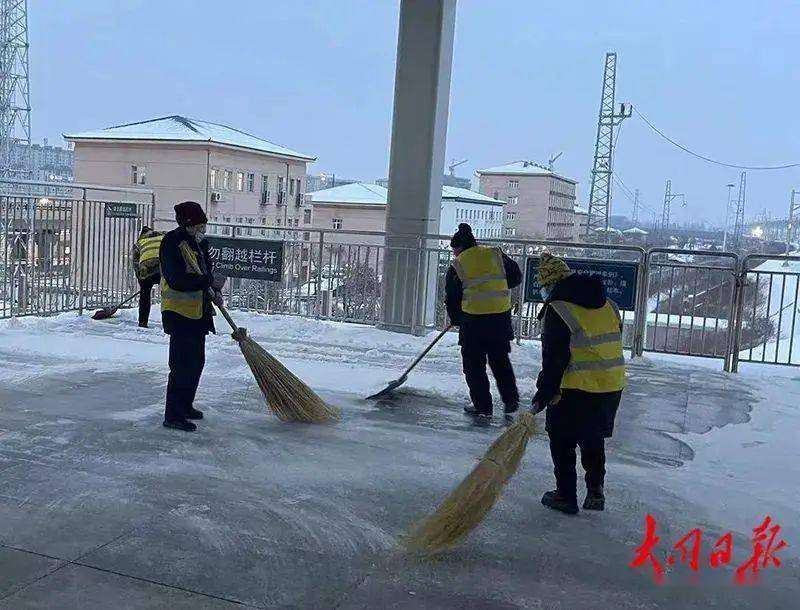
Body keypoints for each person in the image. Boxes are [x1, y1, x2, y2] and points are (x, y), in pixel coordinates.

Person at [531, 253, 625, 514]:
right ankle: (595, 491)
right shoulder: (609, 303)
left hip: (577, 385)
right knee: (593, 437)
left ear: (551, 285)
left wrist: (545, 392)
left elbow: (555, 358)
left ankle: (565, 495)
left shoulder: (559, 308)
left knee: (562, 439)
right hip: (611, 382)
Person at [159, 201, 225, 432]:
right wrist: (205, 282)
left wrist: (215, 291)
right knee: (181, 365)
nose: (202, 231)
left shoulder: (200, 245)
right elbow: (177, 279)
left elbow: (207, 272)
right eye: (198, 226)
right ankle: (173, 415)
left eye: (203, 226)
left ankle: (186, 406)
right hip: (178, 314)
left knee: (197, 362)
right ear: (187, 224)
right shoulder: (171, 244)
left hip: (199, 313)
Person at [445, 223, 522, 419]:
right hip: (500, 318)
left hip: (474, 322)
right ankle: (510, 399)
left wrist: (457, 319)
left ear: (459, 248)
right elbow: (515, 277)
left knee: (474, 365)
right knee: (500, 361)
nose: (454, 254)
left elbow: (453, 298)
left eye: (454, 250)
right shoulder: (495, 254)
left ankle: (482, 406)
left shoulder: (458, 265)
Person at [131, 226, 164, 328]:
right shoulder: (162, 236)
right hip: (163, 265)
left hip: (147, 266)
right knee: (167, 294)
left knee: (145, 295)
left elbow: (135, 262)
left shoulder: (140, 242)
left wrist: (141, 280)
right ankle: (169, 323)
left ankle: (142, 322)